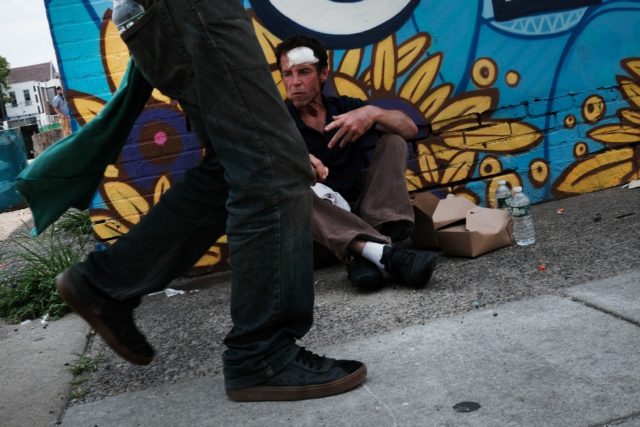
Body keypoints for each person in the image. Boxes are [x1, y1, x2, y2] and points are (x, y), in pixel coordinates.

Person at [55, 0, 366, 402]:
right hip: (193, 10)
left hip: (173, 14)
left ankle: (106, 284)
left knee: (236, 167)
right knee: (273, 166)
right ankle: (262, 352)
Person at [275, 35, 438, 290]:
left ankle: (363, 255)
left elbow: (409, 129)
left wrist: (372, 113)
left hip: (362, 215)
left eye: (304, 72)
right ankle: (383, 252)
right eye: (287, 74)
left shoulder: (345, 108)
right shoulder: (277, 123)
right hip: (318, 238)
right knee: (286, 184)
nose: (294, 82)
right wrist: (296, 161)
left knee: (393, 139)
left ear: (323, 73)